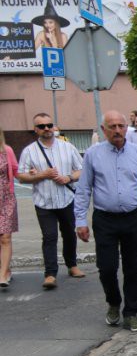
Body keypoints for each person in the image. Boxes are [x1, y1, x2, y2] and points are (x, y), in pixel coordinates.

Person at [75, 111, 137, 331]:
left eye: (121, 126)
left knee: (134, 268)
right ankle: (113, 301)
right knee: (106, 267)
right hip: (105, 219)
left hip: (133, 217)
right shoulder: (93, 154)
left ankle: (131, 312)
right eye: (112, 126)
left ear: (126, 128)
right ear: (104, 130)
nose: (117, 130)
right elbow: (83, 189)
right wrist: (80, 220)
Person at [15, 113, 85, 289]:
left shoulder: (67, 147)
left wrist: (68, 178)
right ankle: (50, 274)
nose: (46, 128)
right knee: (49, 237)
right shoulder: (29, 151)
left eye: (49, 125)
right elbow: (21, 176)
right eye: (42, 126)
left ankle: (72, 265)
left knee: (69, 233)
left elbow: (82, 169)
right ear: (36, 130)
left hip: (66, 199)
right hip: (44, 201)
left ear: (54, 126)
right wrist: (41, 175)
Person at [0, 128, 17, 288]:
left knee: (5, 237)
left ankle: (3, 274)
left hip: (6, 199)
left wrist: (32, 172)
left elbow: (16, 170)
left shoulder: (7, 150)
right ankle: (6, 269)